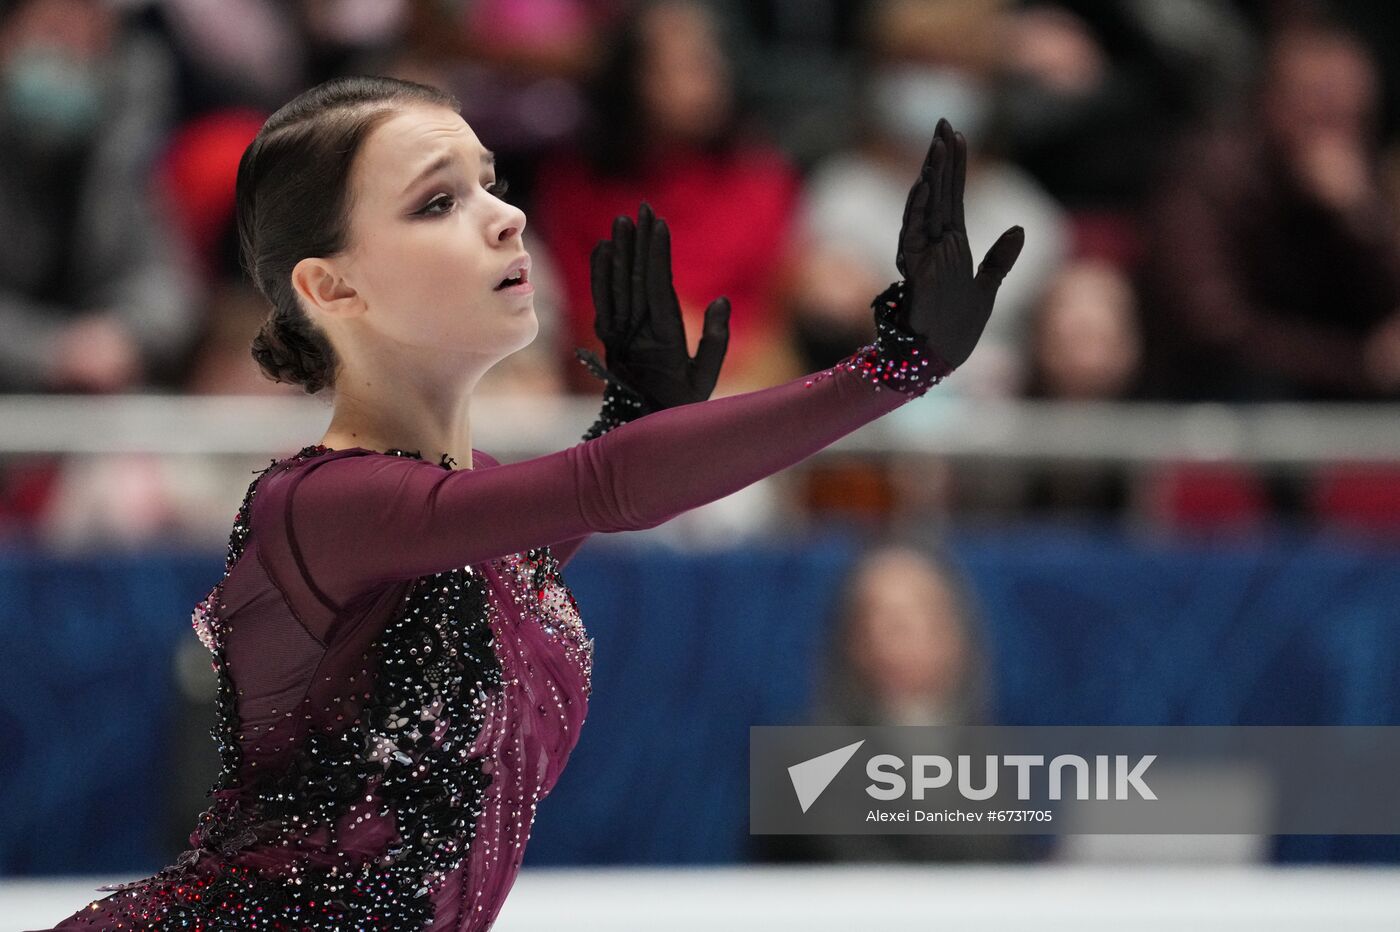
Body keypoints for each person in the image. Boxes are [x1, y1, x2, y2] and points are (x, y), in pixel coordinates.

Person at [31, 75, 1023, 931]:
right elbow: (605, 489)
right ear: (331, 287)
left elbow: (502, 576)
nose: (503, 215)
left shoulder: (468, 509)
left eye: (490, 182)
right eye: (436, 202)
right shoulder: (321, 502)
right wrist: (888, 371)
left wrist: (632, 427)